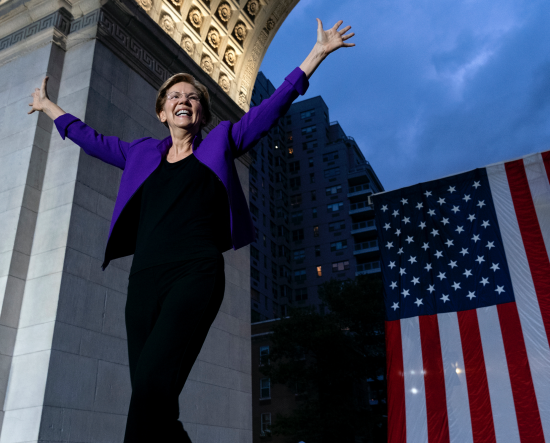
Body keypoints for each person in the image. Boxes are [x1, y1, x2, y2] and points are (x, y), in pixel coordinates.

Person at [28, 18, 355, 443]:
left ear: (200, 111)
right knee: (154, 398)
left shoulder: (221, 142)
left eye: (193, 96)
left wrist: (316, 55)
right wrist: (51, 107)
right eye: (175, 95)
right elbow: (92, 139)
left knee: (149, 390)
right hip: (144, 282)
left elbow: (269, 110)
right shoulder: (141, 153)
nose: (185, 100)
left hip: (195, 275)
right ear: (162, 110)